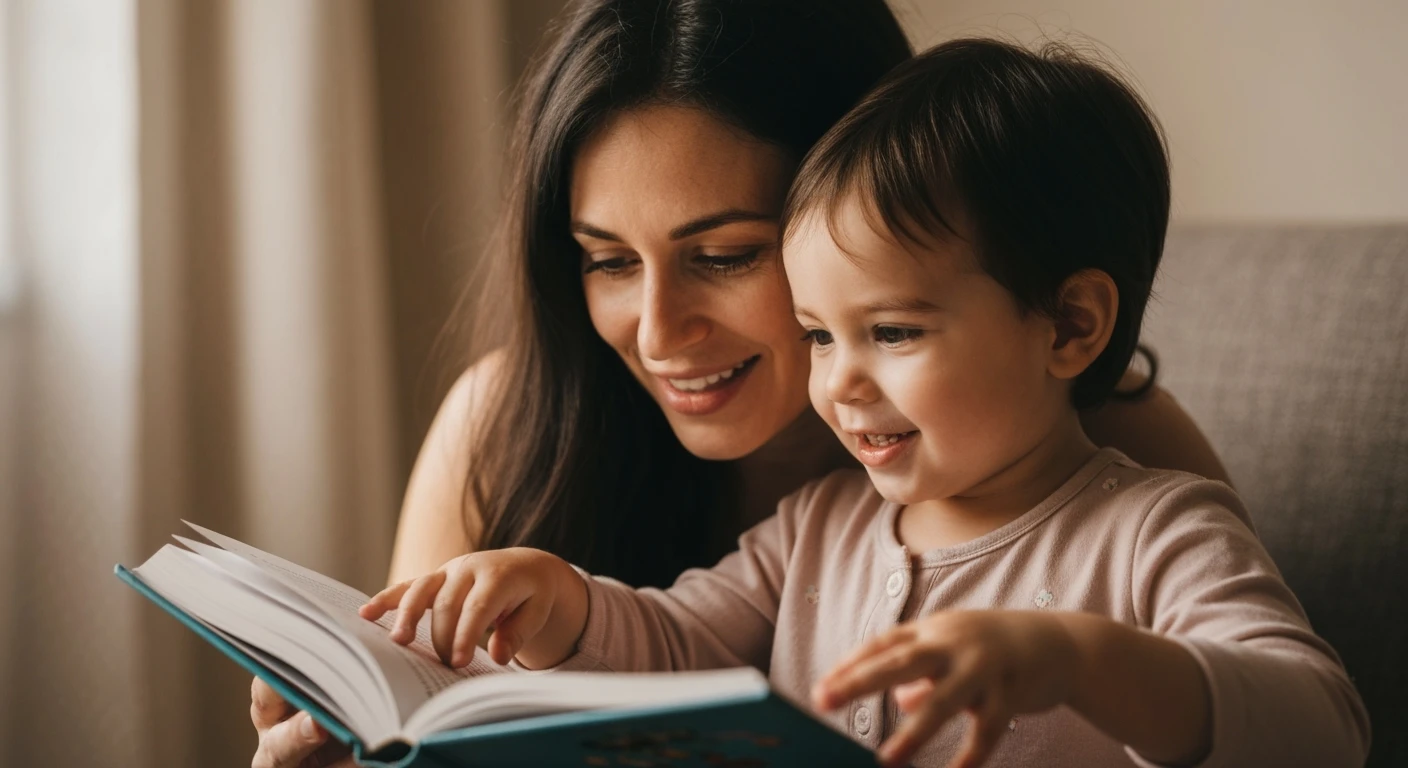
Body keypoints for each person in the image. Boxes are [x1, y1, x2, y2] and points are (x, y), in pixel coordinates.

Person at [250, 2, 1231, 766]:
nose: (660, 331)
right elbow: (661, 642)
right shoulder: (507, 426)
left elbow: (1277, 715)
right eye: (608, 261)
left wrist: (1085, 665)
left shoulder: (1116, 459)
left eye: (722, 254)